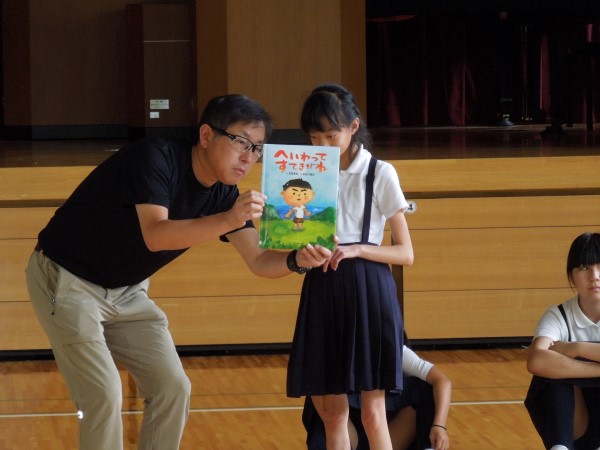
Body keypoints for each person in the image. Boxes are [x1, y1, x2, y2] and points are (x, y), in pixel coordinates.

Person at [25, 93, 331, 450]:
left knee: (173, 388)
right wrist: (228, 219)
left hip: (126, 291)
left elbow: (260, 260)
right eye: (241, 142)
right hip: (67, 279)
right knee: (103, 393)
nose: (249, 157)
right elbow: (156, 235)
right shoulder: (156, 158)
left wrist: (298, 260)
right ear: (206, 135)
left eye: (257, 148)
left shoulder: (224, 195)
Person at [286, 83, 414, 450]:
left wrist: (358, 249)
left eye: (331, 136)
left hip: (369, 289)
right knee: (332, 411)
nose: (323, 145)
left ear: (353, 126)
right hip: (323, 286)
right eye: (315, 137)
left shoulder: (380, 172)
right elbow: (291, 235)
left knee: (373, 412)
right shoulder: (305, 173)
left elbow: (406, 253)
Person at [525, 232, 600, 450]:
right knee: (549, 373)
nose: (594, 276)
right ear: (571, 276)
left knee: (559, 358)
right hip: (578, 424)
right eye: (584, 268)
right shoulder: (559, 315)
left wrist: (575, 347)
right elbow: (536, 361)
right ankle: (560, 446)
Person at [303, 344, 452, 450]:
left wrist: (439, 425)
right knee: (324, 394)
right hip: (347, 433)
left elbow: (442, 381)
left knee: (426, 389)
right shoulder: (334, 355)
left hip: (385, 433)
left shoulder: (392, 350)